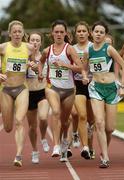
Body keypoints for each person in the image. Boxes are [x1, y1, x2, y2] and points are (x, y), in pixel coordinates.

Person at [38, 19, 86, 162]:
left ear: (65, 33)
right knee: (56, 113)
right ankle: (56, 146)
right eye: (56, 32)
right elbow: (40, 62)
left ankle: (66, 141)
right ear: (52, 33)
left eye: (61, 32)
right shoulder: (47, 50)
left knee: (65, 121)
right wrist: (40, 73)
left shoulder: (69, 49)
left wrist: (65, 65)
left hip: (69, 89)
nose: (59, 34)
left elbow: (80, 67)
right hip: (53, 88)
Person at [83, 21, 124, 168]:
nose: (98, 34)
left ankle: (104, 150)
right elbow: (84, 68)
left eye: (102, 32)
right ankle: (105, 158)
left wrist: (123, 86)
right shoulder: (88, 51)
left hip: (112, 90)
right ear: (92, 32)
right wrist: (85, 76)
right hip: (96, 88)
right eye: (96, 31)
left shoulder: (109, 49)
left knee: (109, 128)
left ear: (105, 35)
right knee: (100, 123)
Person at [0, 20, 35, 167]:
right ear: (9, 33)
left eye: (19, 31)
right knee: (8, 127)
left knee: (20, 121)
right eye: (14, 31)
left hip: (22, 88)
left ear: (23, 33)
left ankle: (18, 155)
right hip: (6, 90)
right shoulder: (2, 47)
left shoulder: (29, 48)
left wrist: (34, 66)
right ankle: (8, 124)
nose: (17, 34)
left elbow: (35, 66)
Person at [68, 21, 95, 159]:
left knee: (91, 120)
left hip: (93, 85)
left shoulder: (93, 47)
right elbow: (68, 67)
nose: (81, 33)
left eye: (84, 31)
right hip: (78, 85)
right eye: (79, 31)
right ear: (75, 33)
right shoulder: (71, 49)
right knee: (82, 116)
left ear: (88, 33)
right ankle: (85, 147)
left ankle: (90, 146)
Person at [26, 32, 50, 164]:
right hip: (28, 94)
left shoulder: (44, 57)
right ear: (29, 42)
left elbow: (46, 76)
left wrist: (37, 70)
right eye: (32, 40)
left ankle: (44, 138)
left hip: (42, 91)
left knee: (43, 117)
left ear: (41, 43)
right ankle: (35, 150)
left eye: (37, 40)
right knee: (31, 127)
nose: (35, 42)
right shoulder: (24, 57)